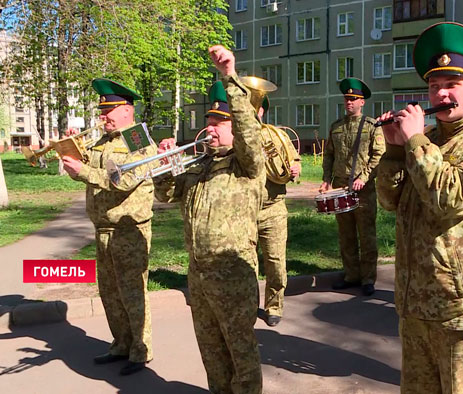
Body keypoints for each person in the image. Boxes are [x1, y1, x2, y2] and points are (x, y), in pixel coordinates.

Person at [375, 22, 463, 394]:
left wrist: (416, 140)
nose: (441, 94)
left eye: (451, 85)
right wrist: (393, 150)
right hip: (415, 302)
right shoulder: (427, 141)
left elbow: (448, 198)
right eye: (434, 86)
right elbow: (390, 202)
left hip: (461, 308)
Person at [154, 45, 265, 393]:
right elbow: (167, 195)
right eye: (209, 124)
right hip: (199, 275)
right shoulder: (200, 166)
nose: (212, 130)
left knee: (241, 357)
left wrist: (230, 78)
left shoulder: (246, 165)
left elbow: (249, 134)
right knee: (211, 353)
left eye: (220, 124)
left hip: (233, 274)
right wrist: (163, 168)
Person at [62, 78, 155, 376]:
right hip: (102, 227)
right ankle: (121, 344)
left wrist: (84, 171)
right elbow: (87, 168)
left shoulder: (138, 139)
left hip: (129, 229)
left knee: (132, 293)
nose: (103, 117)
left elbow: (124, 181)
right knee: (110, 293)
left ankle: (140, 351)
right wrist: (72, 149)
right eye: (102, 112)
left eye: (109, 112)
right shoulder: (102, 140)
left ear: (127, 111)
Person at [320, 77, 385, 296]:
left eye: (353, 99)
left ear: (362, 102)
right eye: (347, 99)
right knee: (345, 234)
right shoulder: (336, 127)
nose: (349, 102)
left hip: (363, 190)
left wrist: (364, 177)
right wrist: (326, 179)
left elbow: (379, 155)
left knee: (366, 235)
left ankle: (368, 278)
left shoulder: (372, 126)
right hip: (340, 188)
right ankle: (351, 275)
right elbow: (329, 155)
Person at [253, 92, 302, 327]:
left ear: (262, 110)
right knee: (246, 262)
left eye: (257, 106)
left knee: (275, 263)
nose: (253, 110)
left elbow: (294, 161)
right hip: (245, 209)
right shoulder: (238, 136)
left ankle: (274, 305)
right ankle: (250, 303)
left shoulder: (276, 135)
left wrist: (294, 170)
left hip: (273, 208)